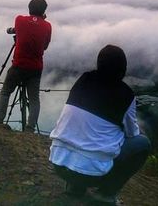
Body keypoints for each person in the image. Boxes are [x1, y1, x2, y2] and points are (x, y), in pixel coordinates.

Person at [49, 45, 151, 204]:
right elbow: (132, 134)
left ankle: (75, 188)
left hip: (59, 165)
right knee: (142, 143)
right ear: (123, 69)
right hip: (93, 175)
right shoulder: (126, 94)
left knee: (85, 134)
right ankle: (105, 194)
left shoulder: (84, 79)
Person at [0, 0, 52, 132]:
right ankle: (30, 129)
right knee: (34, 99)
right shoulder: (47, 26)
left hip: (18, 65)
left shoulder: (19, 20)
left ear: (29, 9)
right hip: (36, 68)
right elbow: (45, 47)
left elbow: (21, 29)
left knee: (5, 92)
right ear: (43, 11)